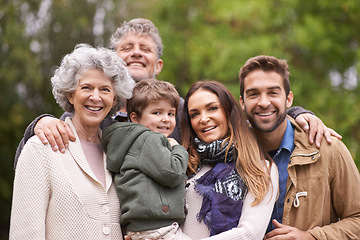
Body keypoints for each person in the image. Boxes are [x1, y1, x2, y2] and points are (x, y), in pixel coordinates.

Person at [13, 18, 339, 168]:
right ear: (112, 59)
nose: (136, 52)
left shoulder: (181, 111)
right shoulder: (93, 110)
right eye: (127, 48)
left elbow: (244, 123)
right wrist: (38, 124)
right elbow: (34, 160)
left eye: (145, 48)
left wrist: (299, 114)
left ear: (158, 64)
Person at [9, 44, 135, 239]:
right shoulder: (39, 148)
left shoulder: (117, 152)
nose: (96, 97)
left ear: (114, 98)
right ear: (70, 94)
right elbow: (24, 233)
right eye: (86, 87)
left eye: (105, 90)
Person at [238, 55, 360, 239]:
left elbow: (357, 218)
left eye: (273, 92)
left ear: (288, 99)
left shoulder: (328, 149)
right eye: (253, 94)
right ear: (242, 102)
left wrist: (311, 237)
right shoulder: (231, 154)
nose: (263, 102)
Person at [180, 80, 279, 239]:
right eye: (195, 114)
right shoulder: (182, 165)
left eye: (212, 108)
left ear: (228, 112)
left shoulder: (260, 168)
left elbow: (249, 233)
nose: (203, 119)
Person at [102, 78, 190, 240]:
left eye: (170, 113)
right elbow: (172, 173)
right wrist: (178, 149)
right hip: (157, 227)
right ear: (135, 118)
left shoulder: (128, 140)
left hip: (141, 228)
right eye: (157, 112)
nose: (166, 119)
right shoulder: (148, 139)